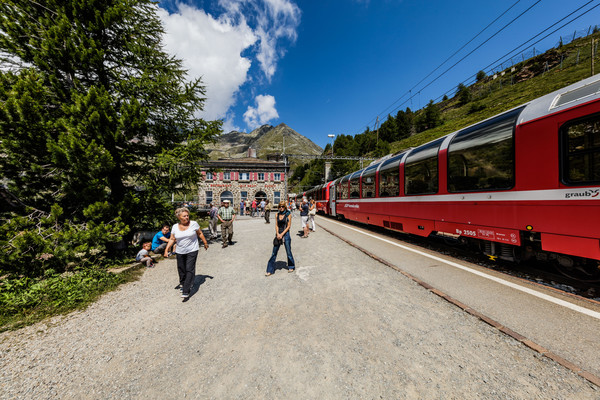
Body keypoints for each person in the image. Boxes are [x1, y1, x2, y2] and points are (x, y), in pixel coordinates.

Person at [164, 207, 209, 299]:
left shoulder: (194, 224)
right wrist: (166, 249)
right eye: (184, 216)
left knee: (189, 269)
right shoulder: (175, 227)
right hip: (180, 251)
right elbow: (172, 239)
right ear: (179, 217)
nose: (187, 217)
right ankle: (183, 283)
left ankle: (186, 290)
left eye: (187, 215)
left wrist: (205, 242)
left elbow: (200, 233)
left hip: (192, 250)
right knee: (181, 269)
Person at [265, 201, 295, 276]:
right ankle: (270, 270)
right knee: (274, 252)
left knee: (288, 252)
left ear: (285, 207)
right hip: (278, 234)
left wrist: (282, 234)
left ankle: (291, 266)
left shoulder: (288, 214)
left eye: (283, 207)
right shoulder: (277, 214)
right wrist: (278, 233)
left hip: (286, 234)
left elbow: (288, 226)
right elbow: (276, 225)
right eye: (280, 207)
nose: (281, 208)